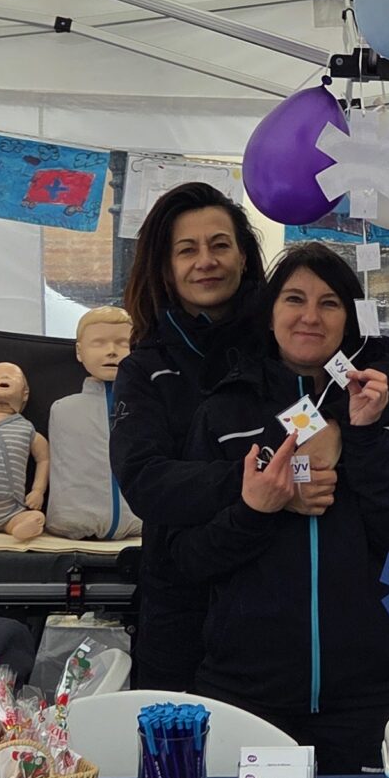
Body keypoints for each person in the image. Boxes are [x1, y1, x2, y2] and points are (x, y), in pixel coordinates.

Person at [156, 245, 389, 771]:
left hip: (369, 696)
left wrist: (363, 437)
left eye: (329, 303)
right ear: (269, 313)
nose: (310, 316)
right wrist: (257, 511)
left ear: (350, 319)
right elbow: (184, 558)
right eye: (294, 299)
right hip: (246, 691)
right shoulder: (224, 412)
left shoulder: (387, 410)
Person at [110, 182, 269, 687]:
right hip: (179, 610)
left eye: (220, 245)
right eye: (187, 250)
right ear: (164, 267)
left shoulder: (284, 348)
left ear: (243, 256)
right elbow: (146, 481)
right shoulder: (145, 369)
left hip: (274, 602)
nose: (206, 261)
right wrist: (259, 484)